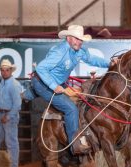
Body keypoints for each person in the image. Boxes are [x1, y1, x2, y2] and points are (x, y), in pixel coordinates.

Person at [23, 25, 115, 156]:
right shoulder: (59, 52)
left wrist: (109, 63)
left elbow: (92, 59)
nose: (80, 42)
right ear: (69, 38)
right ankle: (75, 145)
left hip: (59, 81)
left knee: (81, 97)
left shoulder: (78, 51)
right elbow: (41, 68)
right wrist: (54, 86)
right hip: (43, 83)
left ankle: (28, 94)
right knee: (71, 108)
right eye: (77, 39)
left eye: (81, 40)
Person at [0, 59, 22, 167]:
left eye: (6, 70)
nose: (4, 72)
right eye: (2, 70)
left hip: (9, 116)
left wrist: (8, 116)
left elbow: (17, 104)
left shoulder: (14, 85)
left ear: (11, 71)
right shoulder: (2, 83)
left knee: (11, 143)